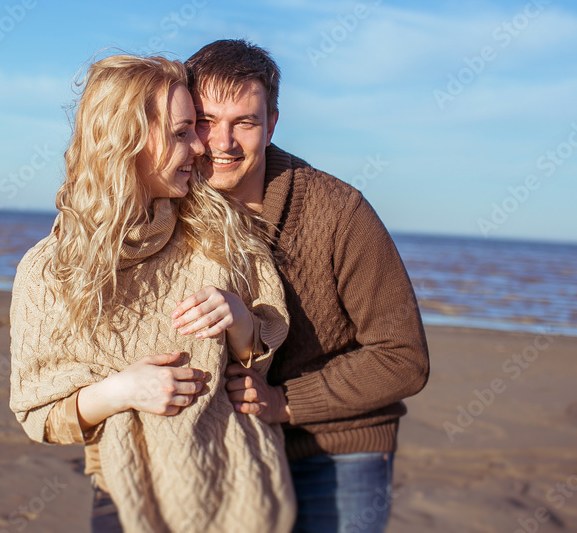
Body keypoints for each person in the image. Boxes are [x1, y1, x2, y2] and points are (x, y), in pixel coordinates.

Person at [9, 54, 297, 532]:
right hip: (124, 500)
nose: (201, 147)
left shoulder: (218, 230)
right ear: (127, 141)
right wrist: (122, 390)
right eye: (182, 133)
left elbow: (259, 361)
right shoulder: (52, 269)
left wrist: (241, 319)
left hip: (241, 496)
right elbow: (39, 415)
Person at [184, 39, 430, 532]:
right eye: (207, 121)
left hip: (333, 451)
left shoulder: (338, 211)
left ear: (272, 124)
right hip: (220, 450)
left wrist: (285, 402)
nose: (223, 142)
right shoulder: (171, 207)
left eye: (245, 123)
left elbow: (402, 357)